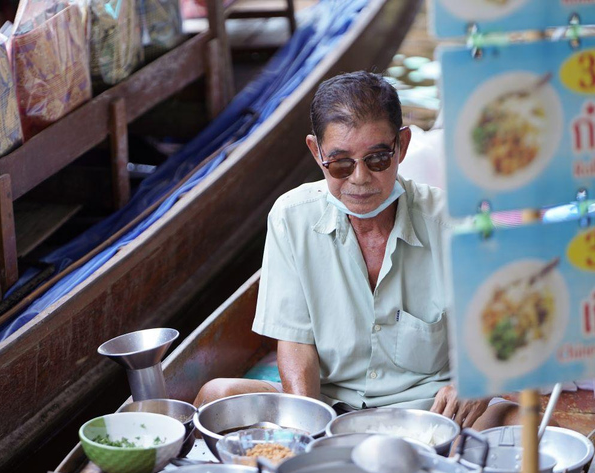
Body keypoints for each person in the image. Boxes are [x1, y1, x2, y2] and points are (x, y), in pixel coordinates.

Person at [194, 71, 517, 430]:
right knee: (217, 395)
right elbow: (296, 344)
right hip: (329, 402)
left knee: (519, 422)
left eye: (377, 159)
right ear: (317, 153)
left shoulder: (454, 224)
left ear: (402, 147)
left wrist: (478, 381)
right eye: (341, 163)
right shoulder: (291, 217)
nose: (360, 179)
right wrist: (310, 426)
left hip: (431, 408)